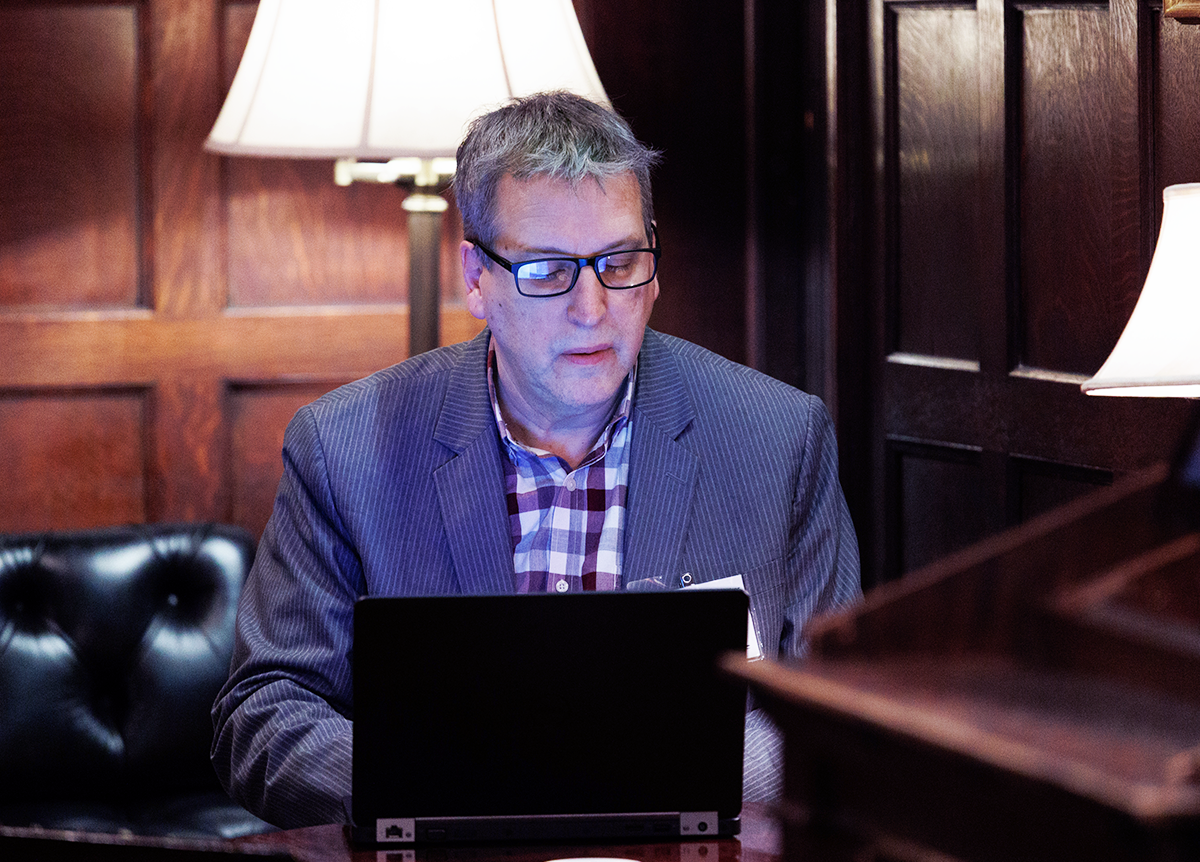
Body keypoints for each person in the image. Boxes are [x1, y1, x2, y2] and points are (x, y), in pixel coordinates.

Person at [211, 91, 861, 829]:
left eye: (620, 262)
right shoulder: (343, 448)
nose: (592, 308)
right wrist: (465, 779)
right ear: (476, 278)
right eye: (548, 270)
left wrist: (623, 775)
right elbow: (262, 716)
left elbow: (838, 709)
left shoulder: (779, 438)